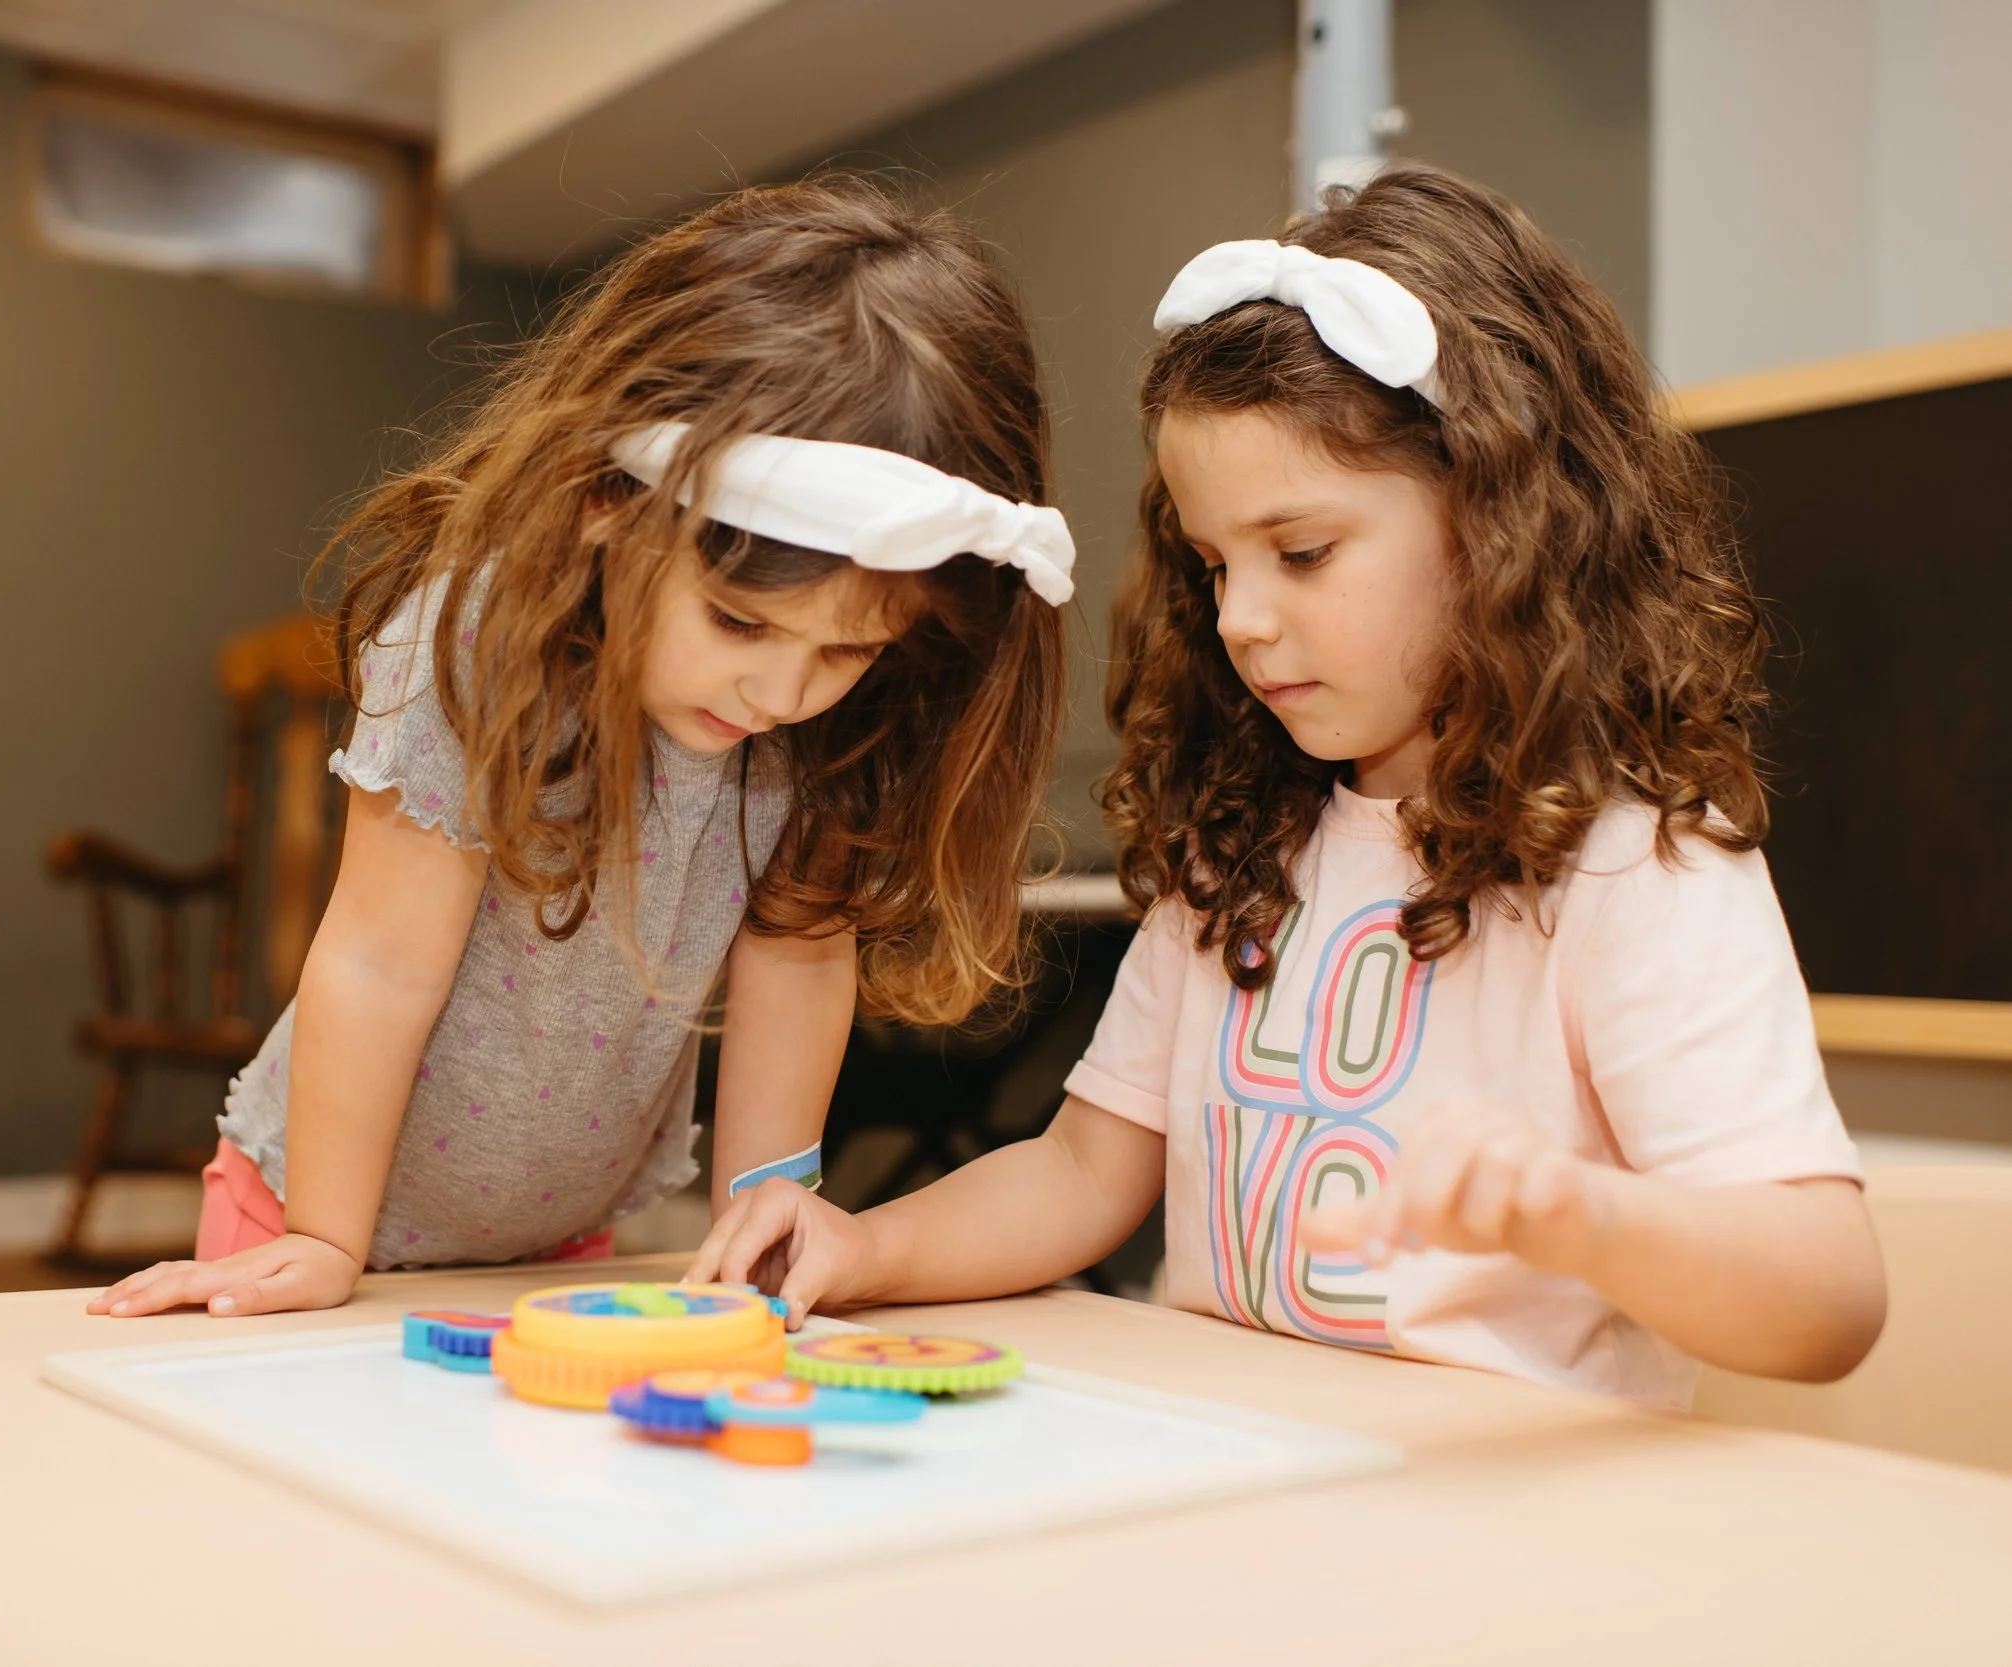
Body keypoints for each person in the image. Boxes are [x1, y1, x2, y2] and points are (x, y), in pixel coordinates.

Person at [690, 165, 1886, 1407]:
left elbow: (1826, 1296)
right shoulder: (1241, 844)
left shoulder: (1637, 866)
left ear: (1506, 520)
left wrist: (1579, 1217)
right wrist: (864, 1245)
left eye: (1301, 552)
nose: (1242, 620)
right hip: (1241, 1475)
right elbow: (1086, 1167)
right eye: (1212, 565)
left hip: (1498, 1532)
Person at [95, 178, 1074, 1320]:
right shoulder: (475, 639)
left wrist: (760, 1223)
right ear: (609, 499)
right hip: (309, 1219)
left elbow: (797, 959)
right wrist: (321, 1237)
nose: (781, 690)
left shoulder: (828, 724)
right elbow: (376, 961)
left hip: (564, 1241)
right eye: (739, 621)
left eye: (847, 649)